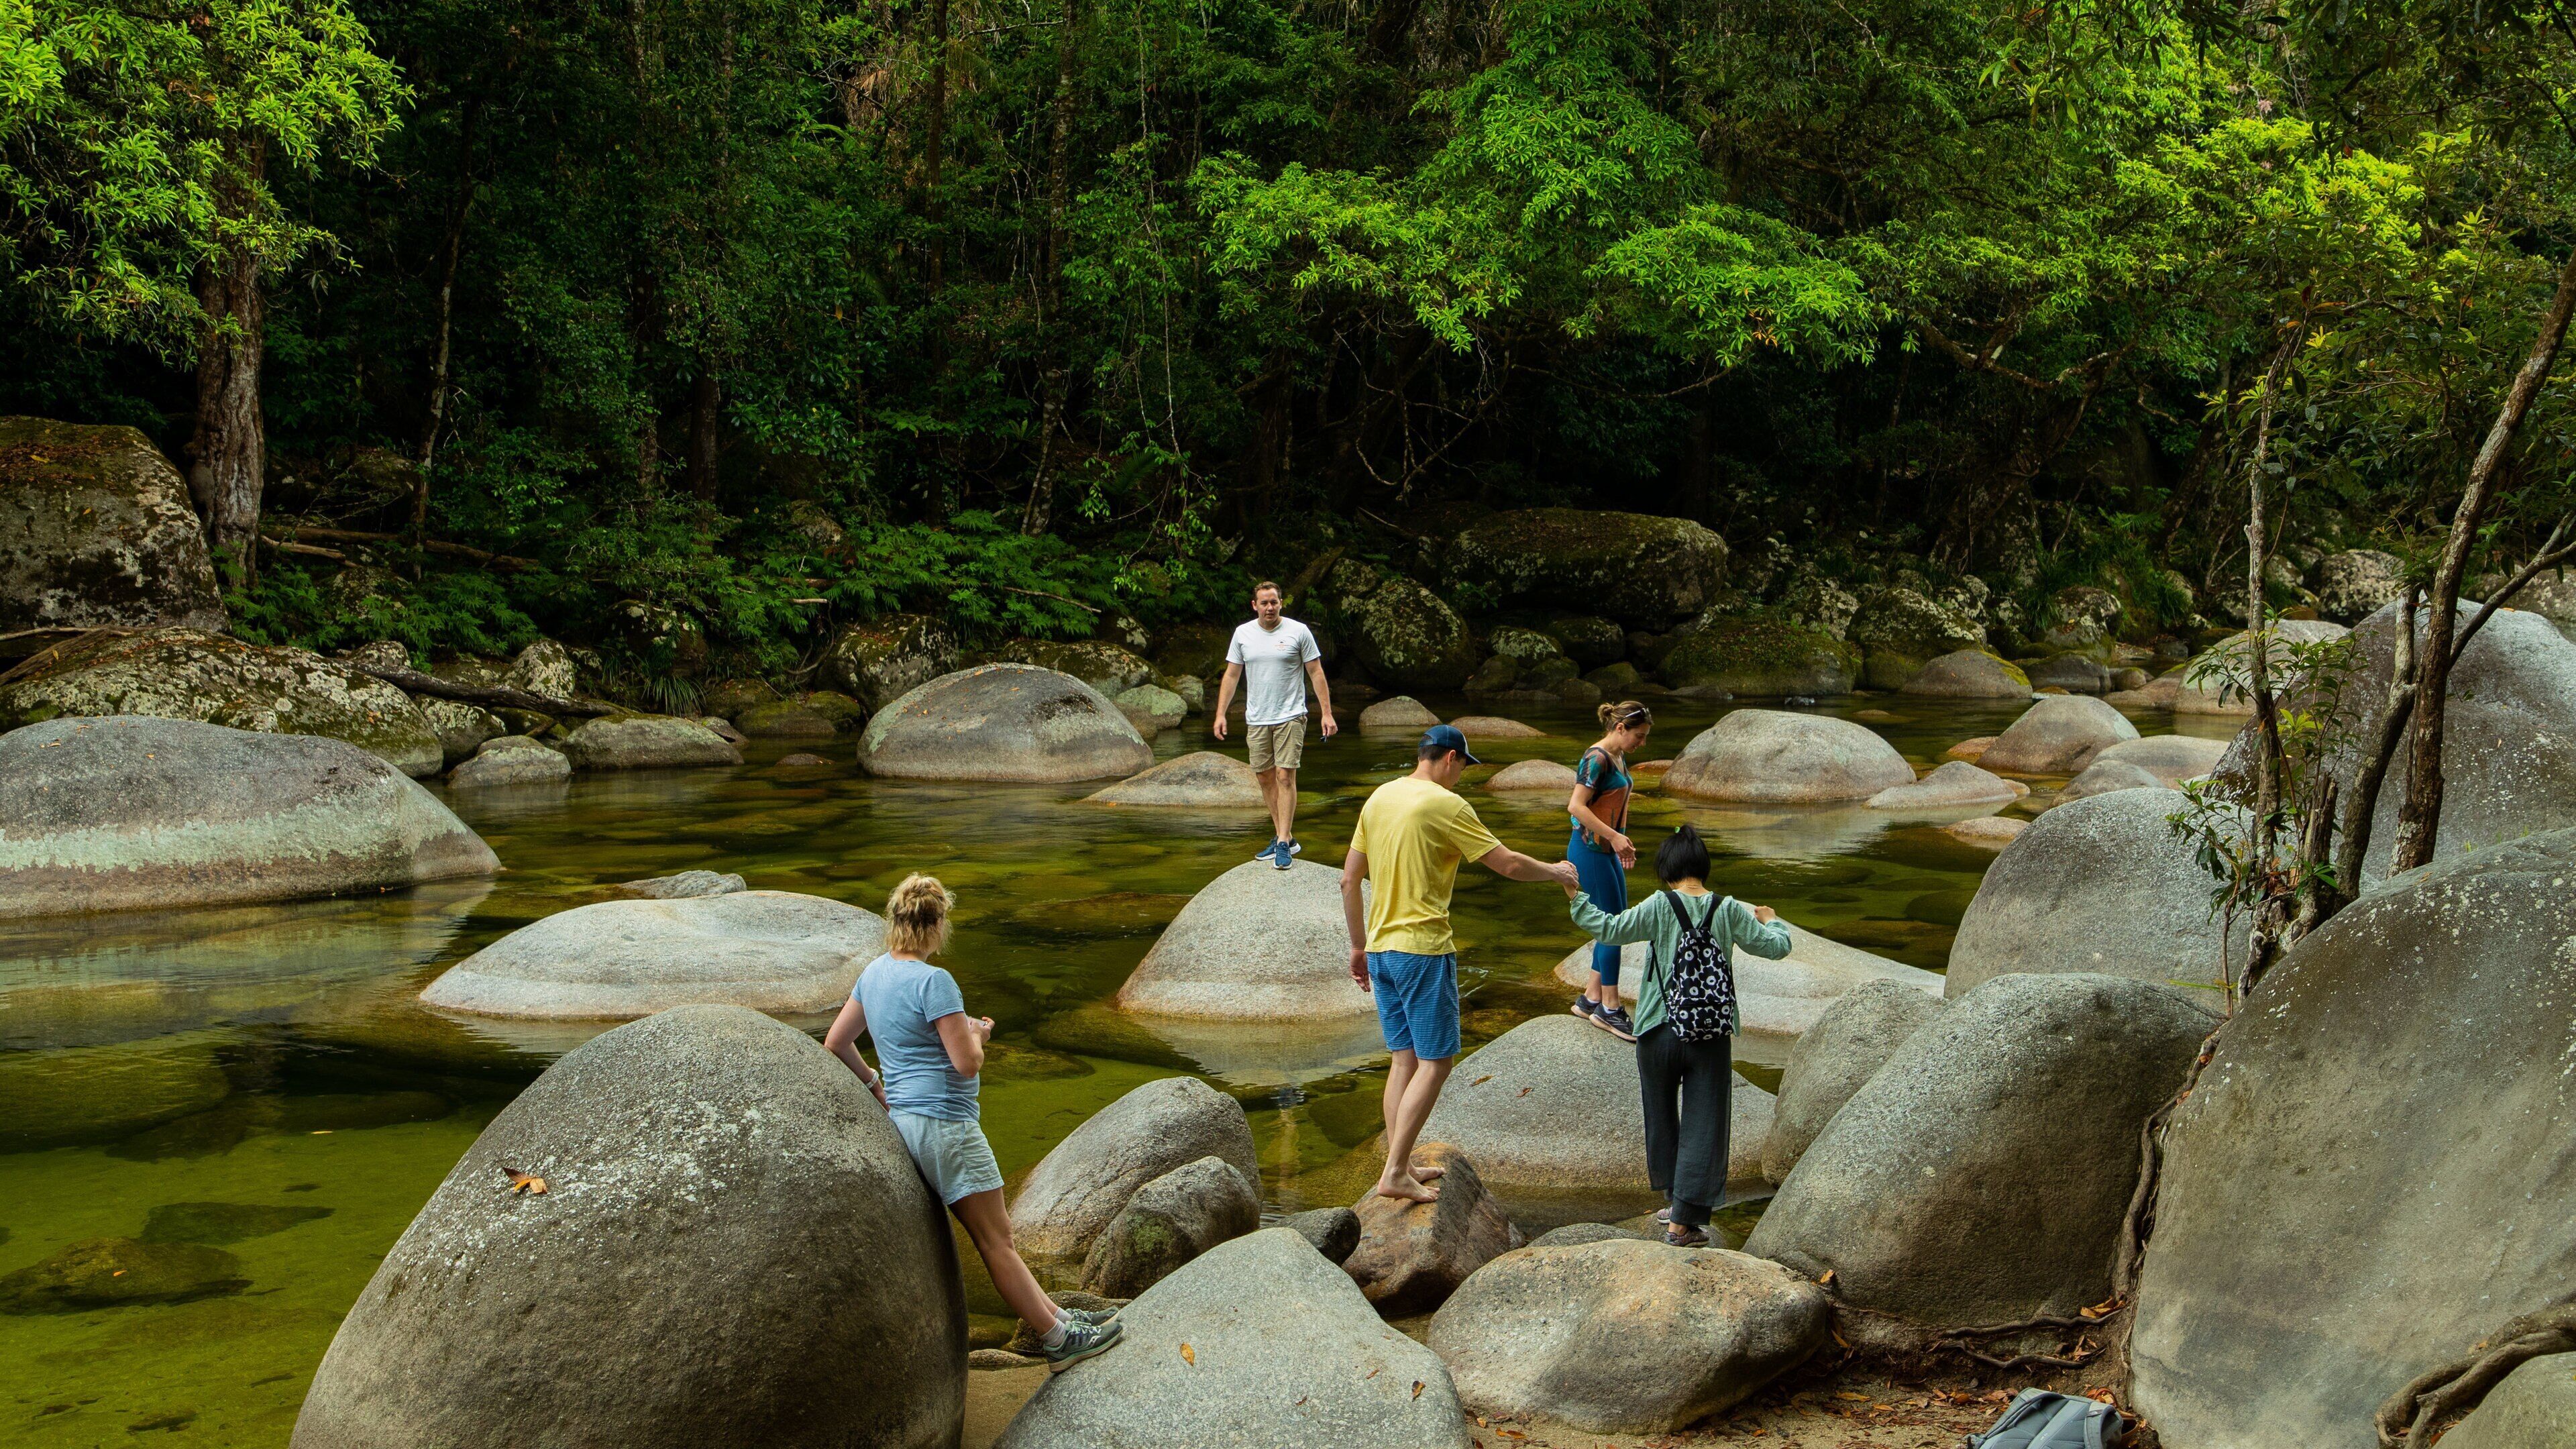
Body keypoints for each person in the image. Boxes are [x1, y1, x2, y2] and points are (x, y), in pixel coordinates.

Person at [824, 874, 1123, 1371]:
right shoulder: (934, 981)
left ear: (895, 922)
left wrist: (876, 1085)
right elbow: (966, 1064)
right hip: (947, 1125)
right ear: (937, 924)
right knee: (996, 1240)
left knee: (995, 1238)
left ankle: (1060, 1320)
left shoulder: (874, 974)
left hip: (906, 1122)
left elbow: (837, 1042)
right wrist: (979, 1033)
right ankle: (1058, 1340)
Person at [1343, 724, 1580, 1202]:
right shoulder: (1446, 805)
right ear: (1450, 758)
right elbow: (1508, 864)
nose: (1462, 779)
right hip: (1423, 950)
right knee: (1437, 1062)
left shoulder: (1379, 798)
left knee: (1403, 1059)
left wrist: (1358, 947)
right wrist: (1555, 872)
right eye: (1463, 768)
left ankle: (1401, 1162)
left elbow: (1350, 882)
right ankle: (1393, 1172)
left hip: (1384, 950)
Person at [1564, 824, 1790, 1246]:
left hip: (1656, 1030)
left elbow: (1609, 929)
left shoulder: (1659, 904)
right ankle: (1684, 1222)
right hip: (1709, 1033)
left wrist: (1576, 897)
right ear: (1702, 868)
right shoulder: (1729, 909)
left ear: (1667, 870)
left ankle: (1674, 1201)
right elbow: (1775, 947)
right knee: (1706, 1121)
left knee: (1662, 1114)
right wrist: (1774, 921)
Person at [1212, 581, 1337, 869]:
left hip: (1291, 714)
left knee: (1284, 776)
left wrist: (1326, 714)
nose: (1269, 608)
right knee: (1265, 778)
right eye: (1264, 603)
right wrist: (1220, 714)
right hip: (1257, 718)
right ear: (1254, 606)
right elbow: (1231, 676)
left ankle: (1282, 843)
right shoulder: (1243, 634)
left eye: (1274, 602)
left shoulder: (1298, 632)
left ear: (1282, 603)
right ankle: (1287, 836)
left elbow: (1316, 672)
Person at [1566, 700, 1652, 1042]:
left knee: (1616, 921)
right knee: (1613, 929)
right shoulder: (1596, 758)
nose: (1641, 743)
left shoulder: (1617, 756)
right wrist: (1614, 838)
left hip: (1606, 851)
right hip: (1589, 851)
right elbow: (1576, 806)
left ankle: (1590, 999)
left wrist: (1623, 844)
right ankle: (1610, 1009)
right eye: (1639, 736)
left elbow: (1618, 800)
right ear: (1620, 728)